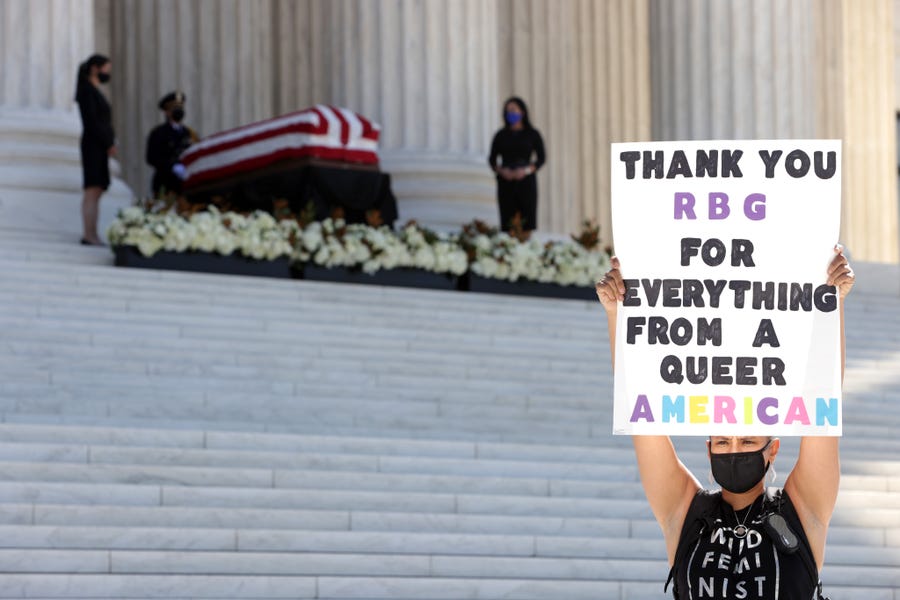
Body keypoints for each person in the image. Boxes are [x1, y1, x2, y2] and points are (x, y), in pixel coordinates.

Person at [595, 247, 854, 599]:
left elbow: (825, 404)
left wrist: (831, 306)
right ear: (708, 448)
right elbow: (642, 414)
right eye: (722, 442)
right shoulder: (684, 510)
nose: (733, 450)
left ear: (772, 449)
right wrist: (617, 312)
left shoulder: (802, 507)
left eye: (747, 442)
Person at [488, 97, 545, 233]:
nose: (510, 114)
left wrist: (526, 171)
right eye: (508, 111)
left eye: (513, 110)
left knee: (526, 221)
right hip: (506, 182)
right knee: (508, 221)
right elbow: (492, 159)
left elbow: (541, 158)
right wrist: (502, 171)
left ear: (522, 112)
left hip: (525, 181)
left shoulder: (532, 134)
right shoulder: (501, 135)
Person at [74, 54, 115, 246]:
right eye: (106, 69)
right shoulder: (87, 91)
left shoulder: (93, 90)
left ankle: (92, 233)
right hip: (94, 145)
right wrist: (109, 143)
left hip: (98, 145)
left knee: (97, 190)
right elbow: (93, 122)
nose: (108, 73)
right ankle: (88, 234)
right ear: (95, 68)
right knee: (92, 190)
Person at [145, 90, 198, 197]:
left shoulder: (190, 133)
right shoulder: (158, 133)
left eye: (180, 107)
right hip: (164, 182)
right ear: (167, 112)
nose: (178, 110)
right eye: (174, 108)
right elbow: (151, 158)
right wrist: (172, 166)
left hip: (184, 184)